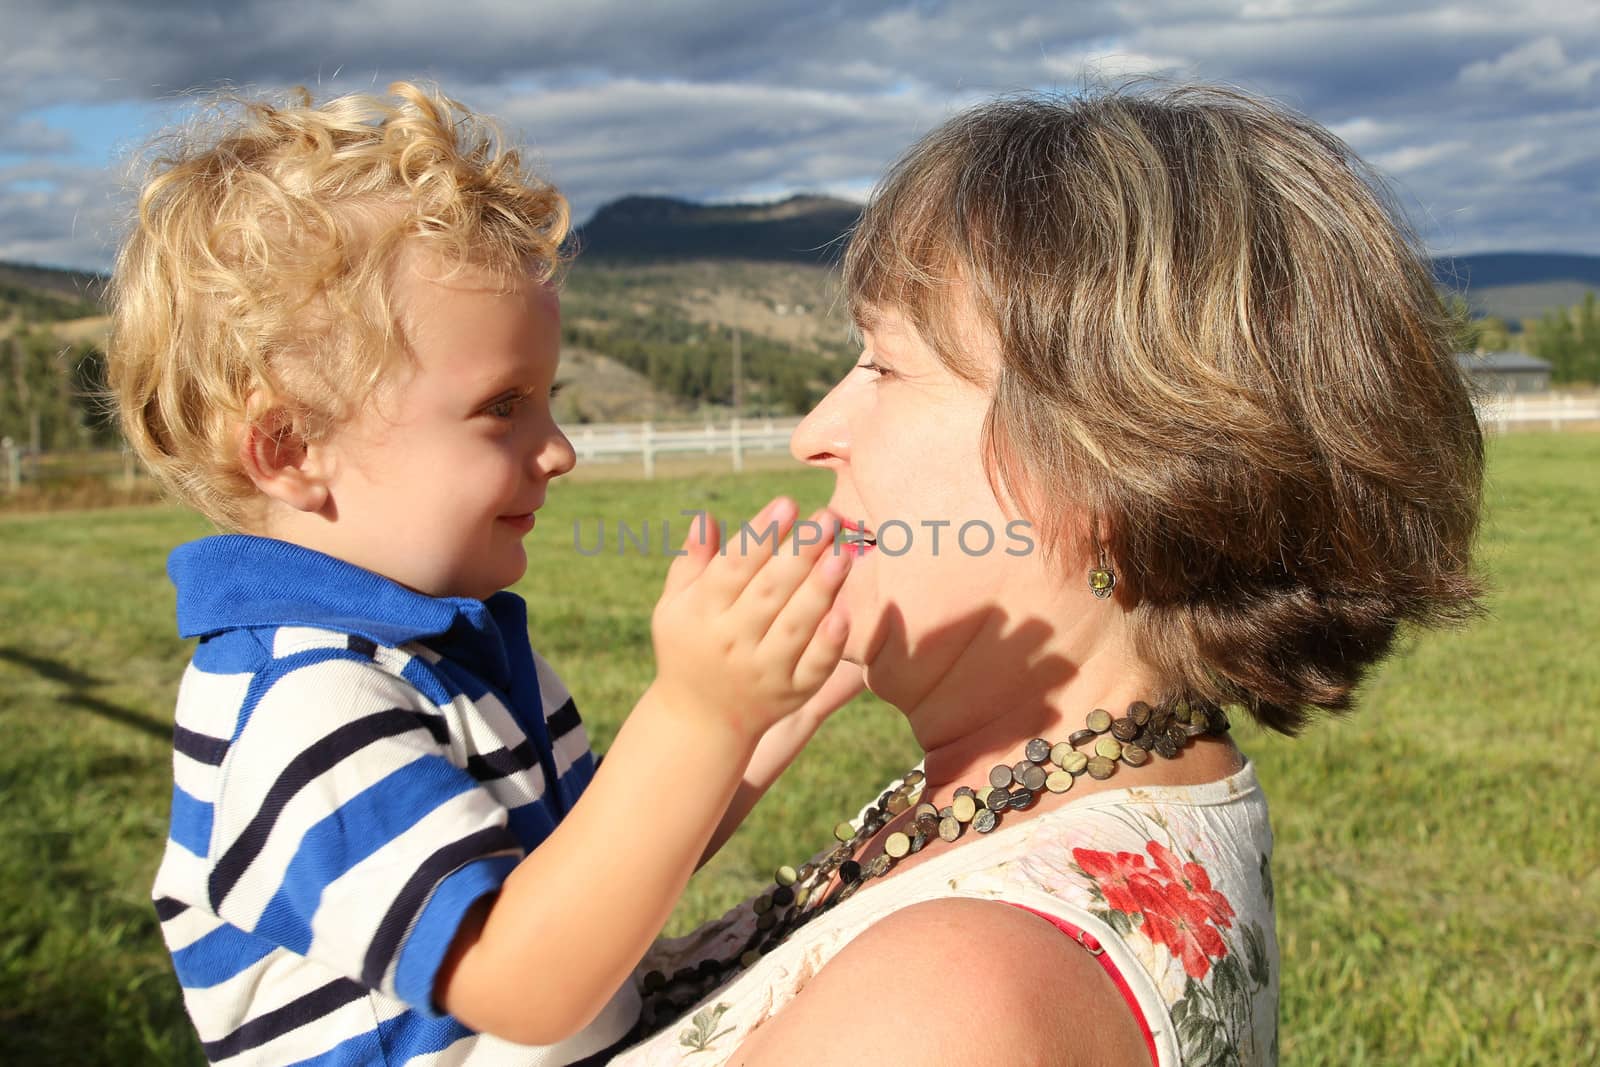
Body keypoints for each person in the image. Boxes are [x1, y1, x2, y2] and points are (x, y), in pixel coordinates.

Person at [613, 84, 1483, 1065]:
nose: (813, 433)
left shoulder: (946, 1003)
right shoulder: (1088, 788)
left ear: (1110, 461)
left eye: (885, 367)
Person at [108, 82, 861, 1065]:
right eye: (504, 405)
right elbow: (525, 980)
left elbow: (605, 868)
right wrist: (698, 713)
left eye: (546, 401)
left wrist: (783, 700)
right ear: (290, 446)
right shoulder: (303, 705)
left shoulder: (436, 647)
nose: (559, 451)